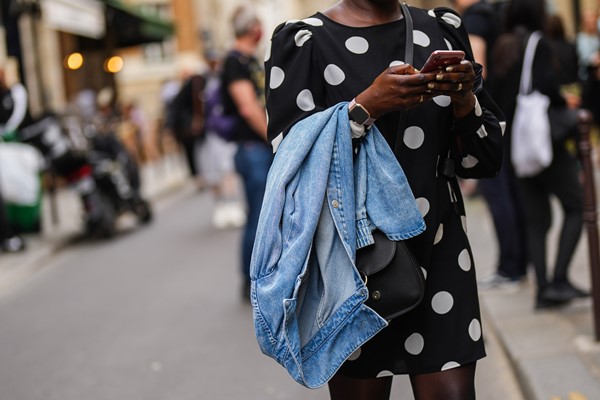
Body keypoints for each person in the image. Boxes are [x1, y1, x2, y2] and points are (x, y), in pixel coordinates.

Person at [265, 1, 504, 398]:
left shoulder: (442, 28)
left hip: (441, 251)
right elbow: (292, 164)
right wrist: (365, 107)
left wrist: (465, 99)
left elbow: (484, 159)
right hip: (355, 263)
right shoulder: (305, 41)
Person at [490, 0, 587, 310]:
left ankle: (543, 288)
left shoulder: (502, 45)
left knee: (537, 221)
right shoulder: (537, 42)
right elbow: (545, 85)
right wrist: (565, 101)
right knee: (577, 206)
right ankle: (559, 279)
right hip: (544, 144)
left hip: (516, 145)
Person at [450, 0, 528, 289]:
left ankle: (510, 268)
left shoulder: (476, 18)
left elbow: (473, 70)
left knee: (497, 192)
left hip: (490, 119)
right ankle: (520, 262)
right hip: (508, 113)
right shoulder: (494, 13)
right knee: (510, 190)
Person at [221, 5, 272, 300]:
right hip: (253, 149)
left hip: (256, 148)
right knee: (259, 217)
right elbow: (247, 107)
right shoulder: (234, 62)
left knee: (261, 215)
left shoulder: (248, 59)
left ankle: (256, 278)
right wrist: (272, 138)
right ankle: (250, 281)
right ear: (253, 29)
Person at [199, 50, 246, 229]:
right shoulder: (206, 83)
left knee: (227, 171)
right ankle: (224, 205)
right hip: (216, 135)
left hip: (224, 134)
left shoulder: (220, 82)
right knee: (217, 172)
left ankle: (231, 204)